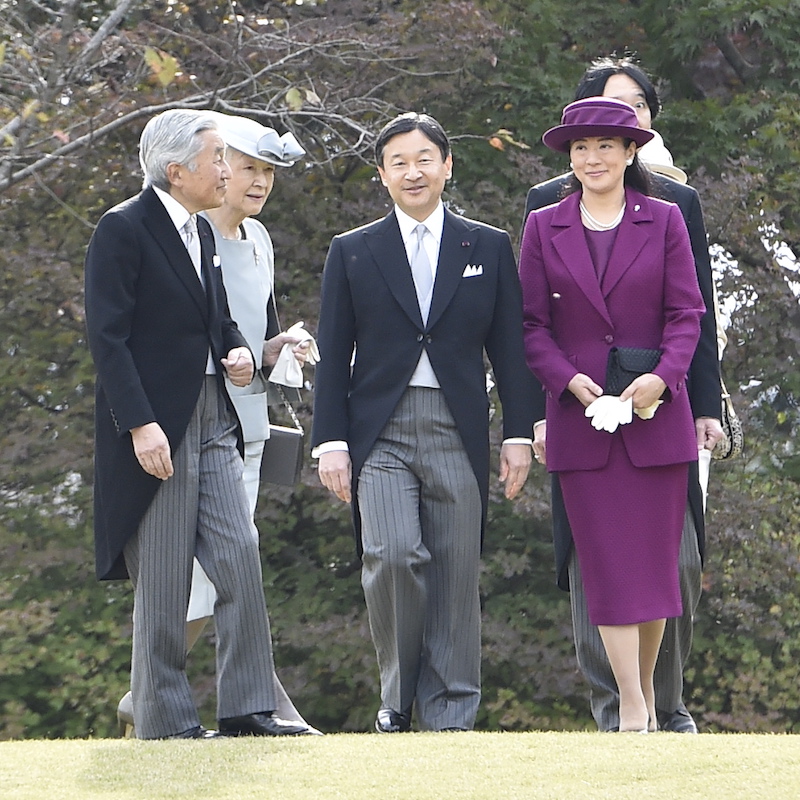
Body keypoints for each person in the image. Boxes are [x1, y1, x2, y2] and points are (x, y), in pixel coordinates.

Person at [85, 109, 311, 739]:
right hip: (158, 426)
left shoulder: (204, 234)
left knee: (239, 557)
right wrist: (140, 426)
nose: (225, 168)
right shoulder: (121, 229)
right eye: (216, 157)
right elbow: (108, 340)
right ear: (176, 168)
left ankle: (247, 708)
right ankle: (162, 719)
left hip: (217, 418)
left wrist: (238, 349)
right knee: (164, 575)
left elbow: (216, 322)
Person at [311, 112, 535, 732]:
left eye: (424, 159)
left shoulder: (487, 245)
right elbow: (334, 352)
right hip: (377, 430)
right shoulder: (352, 251)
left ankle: (452, 714)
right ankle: (396, 699)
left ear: (447, 166)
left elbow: (511, 351)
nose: (413, 172)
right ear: (382, 175)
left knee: (457, 570)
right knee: (391, 554)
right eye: (398, 162)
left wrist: (519, 433)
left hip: (457, 427)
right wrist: (328, 440)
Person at [523, 57, 723, 733]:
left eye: (606, 144)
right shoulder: (542, 225)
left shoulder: (666, 218)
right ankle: (632, 708)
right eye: (581, 147)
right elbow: (530, 326)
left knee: (657, 573)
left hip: (655, 419)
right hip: (581, 422)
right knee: (605, 568)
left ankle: (651, 698)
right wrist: (567, 383)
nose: (593, 157)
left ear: (632, 147)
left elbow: (687, 315)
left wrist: (661, 382)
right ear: (570, 156)